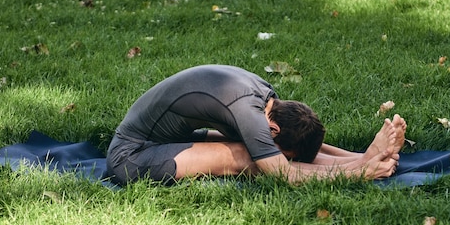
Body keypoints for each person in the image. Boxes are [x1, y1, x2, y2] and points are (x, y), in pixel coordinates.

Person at [106, 64, 406, 186]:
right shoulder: (248, 111)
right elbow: (283, 174)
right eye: (283, 150)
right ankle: (364, 165)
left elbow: (293, 150)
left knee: (254, 149)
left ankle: (361, 159)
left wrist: (361, 157)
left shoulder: (266, 100)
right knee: (248, 157)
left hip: (167, 139)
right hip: (131, 157)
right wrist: (359, 173)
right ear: (272, 130)